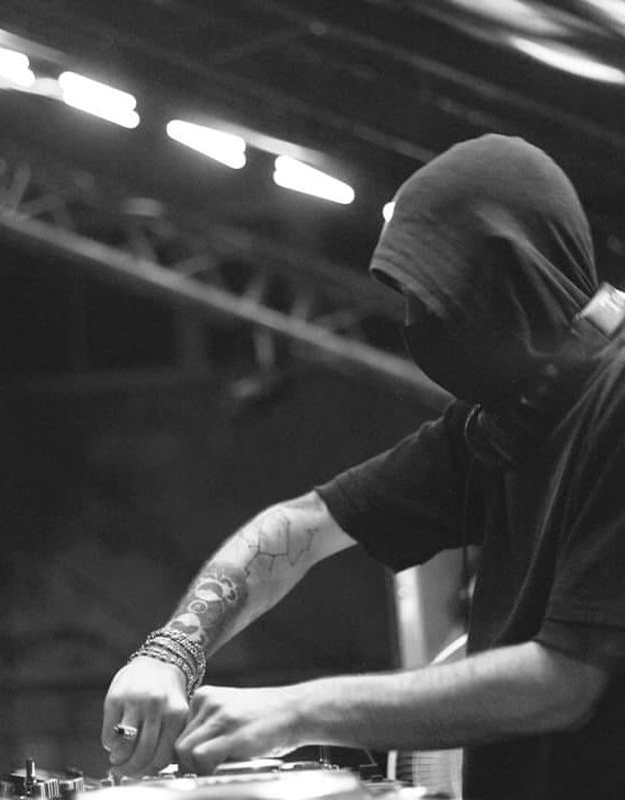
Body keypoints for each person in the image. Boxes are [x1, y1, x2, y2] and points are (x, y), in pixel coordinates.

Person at [100, 134, 625, 800]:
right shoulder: (500, 425)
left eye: (435, 300)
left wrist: (297, 708)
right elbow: (302, 526)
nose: (417, 324)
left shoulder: (615, 403)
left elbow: (563, 682)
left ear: (511, 279)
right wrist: (171, 652)